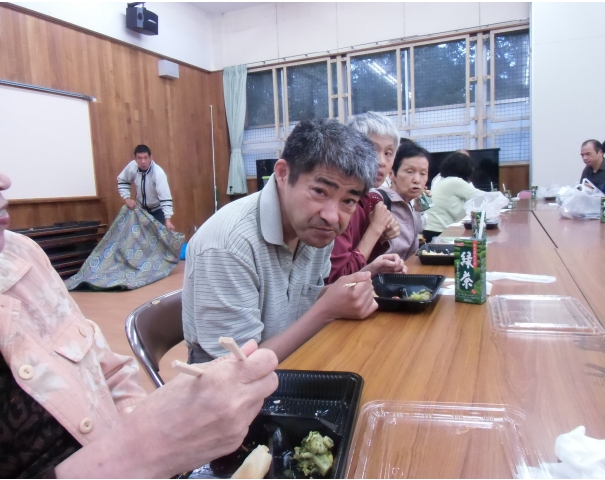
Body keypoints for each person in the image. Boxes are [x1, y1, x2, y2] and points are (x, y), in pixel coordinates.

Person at [0, 171, 279, 478]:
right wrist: (143, 449)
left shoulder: (22, 254)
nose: (4, 182)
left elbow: (111, 372)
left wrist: (145, 434)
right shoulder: (226, 240)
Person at [182, 119, 384, 364]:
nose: (332, 216)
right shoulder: (228, 244)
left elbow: (300, 300)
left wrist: (348, 288)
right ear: (282, 174)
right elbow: (239, 367)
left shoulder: (316, 228)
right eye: (320, 191)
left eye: (348, 201)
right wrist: (327, 310)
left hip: (291, 357)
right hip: (228, 378)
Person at [327, 111, 407, 284]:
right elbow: (337, 280)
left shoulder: (371, 200)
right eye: (372, 149)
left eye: (388, 153)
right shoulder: (340, 203)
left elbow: (363, 265)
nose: (381, 162)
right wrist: (375, 229)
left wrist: (381, 238)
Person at [377, 139, 430, 260]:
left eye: (423, 173)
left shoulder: (410, 201)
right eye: (410, 172)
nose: (417, 180)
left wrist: (418, 210)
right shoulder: (378, 200)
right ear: (392, 174)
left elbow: (416, 231)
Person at [423, 152, 485, 242]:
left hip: (430, 229)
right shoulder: (455, 182)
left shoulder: (442, 180)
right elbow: (483, 197)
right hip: (440, 232)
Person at [117, 144, 176, 231]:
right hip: (141, 210)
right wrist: (127, 198)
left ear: (151, 158)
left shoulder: (158, 173)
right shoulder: (132, 167)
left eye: (145, 158)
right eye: (139, 158)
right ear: (135, 159)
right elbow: (123, 181)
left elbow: (165, 197)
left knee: (159, 237)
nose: (143, 161)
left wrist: (167, 219)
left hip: (157, 211)